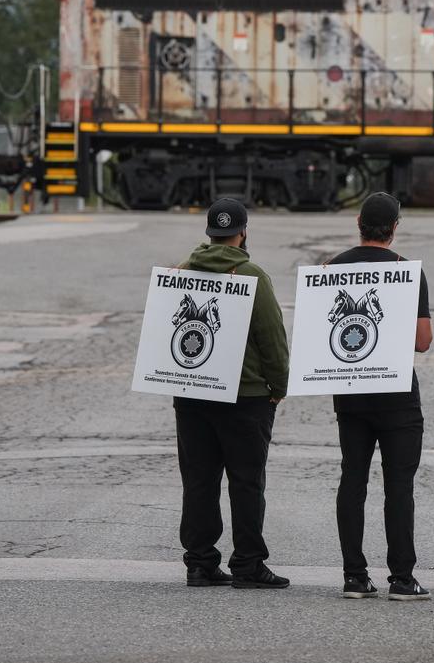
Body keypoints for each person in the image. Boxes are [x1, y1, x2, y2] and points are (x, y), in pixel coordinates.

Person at [174, 197, 291, 589]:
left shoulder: (182, 271)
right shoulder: (251, 274)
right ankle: (248, 564)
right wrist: (279, 386)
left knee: (199, 480)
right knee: (246, 481)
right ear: (243, 233)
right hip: (246, 397)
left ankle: (200, 563)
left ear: (209, 233)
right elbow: (271, 337)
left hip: (192, 393)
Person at [328, 192, 433, 601]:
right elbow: (422, 341)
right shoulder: (406, 271)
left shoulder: (332, 269)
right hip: (396, 396)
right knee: (398, 486)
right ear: (394, 228)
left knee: (352, 480)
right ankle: (402, 580)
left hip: (351, 394)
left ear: (358, 223)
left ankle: (354, 577)